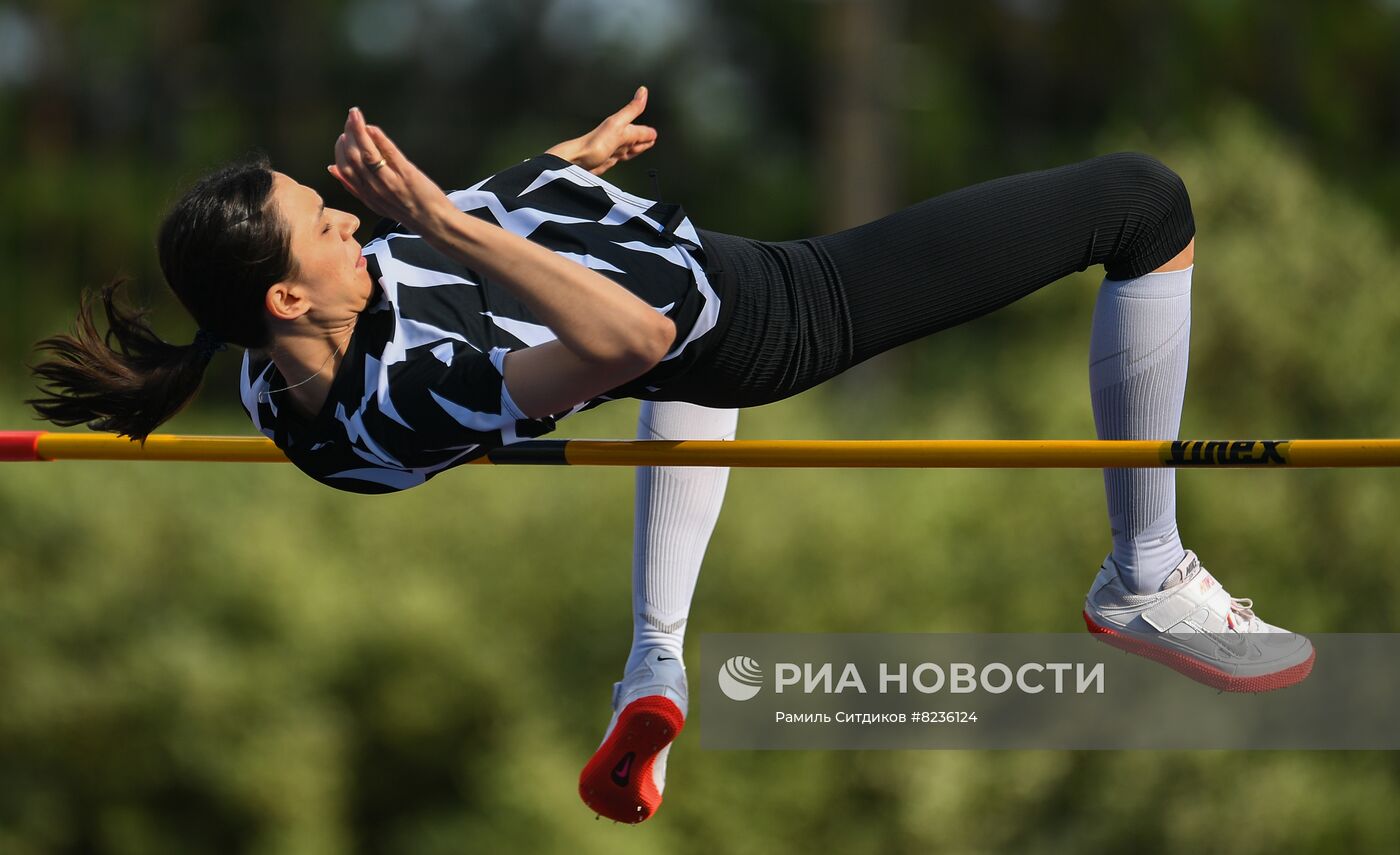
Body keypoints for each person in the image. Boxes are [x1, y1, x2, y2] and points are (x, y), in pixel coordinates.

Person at [27, 87, 1314, 824]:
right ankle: (1143, 573)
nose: (355, 221)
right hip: (769, 310)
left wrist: (548, 173)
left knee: (652, 376)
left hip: (654, 291)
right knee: (1143, 204)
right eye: (326, 226)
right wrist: (440, 216)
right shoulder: (404, 399)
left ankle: (653, 668)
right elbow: (625, 338)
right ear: (288, 304)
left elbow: (433, 260)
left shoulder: (278, 359)